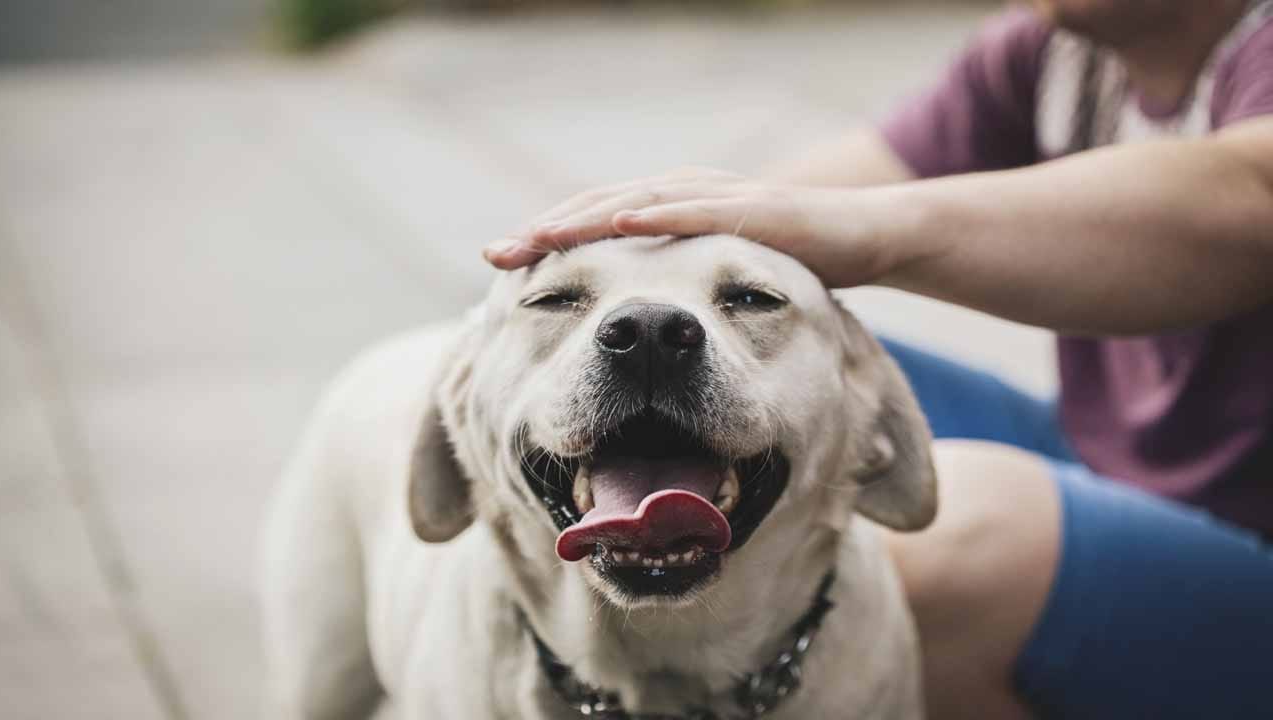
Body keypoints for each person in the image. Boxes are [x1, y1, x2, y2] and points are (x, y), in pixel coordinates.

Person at [481, 1, 1273, 718]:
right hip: (1112, 456)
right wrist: (582, 310)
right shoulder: (1050, 51)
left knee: (957, 536)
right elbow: (767, 214)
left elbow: (1251, 189)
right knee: (794, 356)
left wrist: (873, 229)